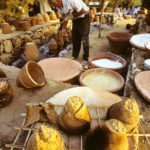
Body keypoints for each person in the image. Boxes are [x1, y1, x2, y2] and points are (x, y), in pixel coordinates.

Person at [48, 0, 90, 69]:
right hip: (75, 19)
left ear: (58, 1)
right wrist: (62, 27)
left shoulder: (70, 1)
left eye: (54, 4)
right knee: (75, 38)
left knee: (84, 39)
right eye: (53, 5)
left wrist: (71, 16)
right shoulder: (59, 7)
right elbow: (65, 18)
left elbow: (82, 10)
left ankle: (86, 59)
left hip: (84, 17)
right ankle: (75, 55)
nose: (54, 6)